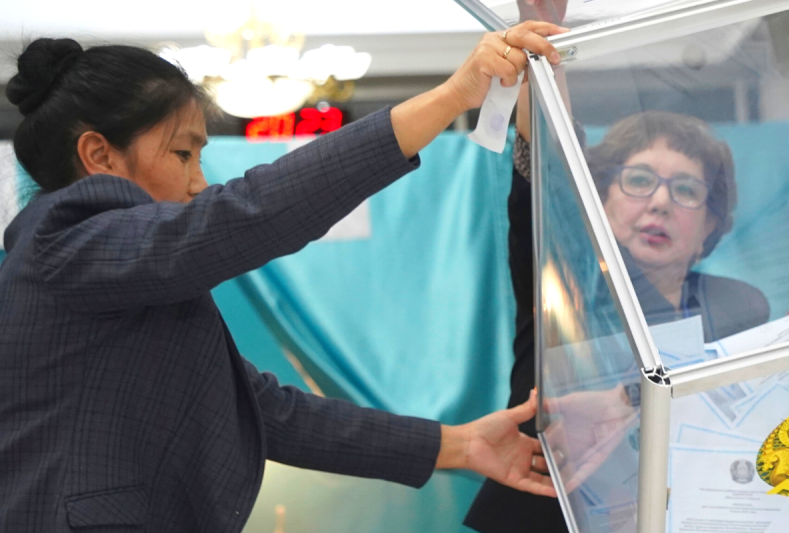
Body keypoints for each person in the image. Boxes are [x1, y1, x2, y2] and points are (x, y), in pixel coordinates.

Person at [0, 24, 569, 533]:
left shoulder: (116, 272)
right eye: (183, 154)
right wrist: (451, 98)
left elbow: (266, 412)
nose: (199, 184)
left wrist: (462, 444)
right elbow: (246, 213)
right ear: (99, 154)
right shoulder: (66, 239)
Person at [467, 111, 767, 532]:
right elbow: (547, 180)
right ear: (599, 202)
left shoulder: (742, 307)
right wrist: (541, 62)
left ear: (709, 226)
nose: (661, 202)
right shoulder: (567, 277)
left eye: (685, 190)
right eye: (640, 181)